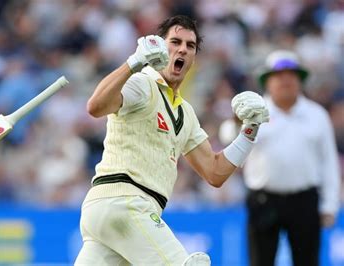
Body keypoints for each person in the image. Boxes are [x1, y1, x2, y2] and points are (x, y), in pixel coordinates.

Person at [75, 15, 269, 265]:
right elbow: (96, 106)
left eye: (190, 46)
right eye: (175, 41)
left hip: (107, 212)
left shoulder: (186, 113)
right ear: (160, 46)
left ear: (193, 58)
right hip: (127, 202)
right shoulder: (143, 82)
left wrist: (250, 130)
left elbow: (215, 172)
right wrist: (133, 62)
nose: (182, 49)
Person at [224, 50, 341, 266]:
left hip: (304, 200)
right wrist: (238, 121)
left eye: (291, 75)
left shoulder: (316, 115)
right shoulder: (254, 113)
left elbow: (328, 163)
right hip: (264, 199)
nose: (285, 80)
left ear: (300, 80)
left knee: (307, 261)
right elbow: (229, 139)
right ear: (268, 81)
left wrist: (329, 205)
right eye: (279, 75)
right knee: (261, 261)